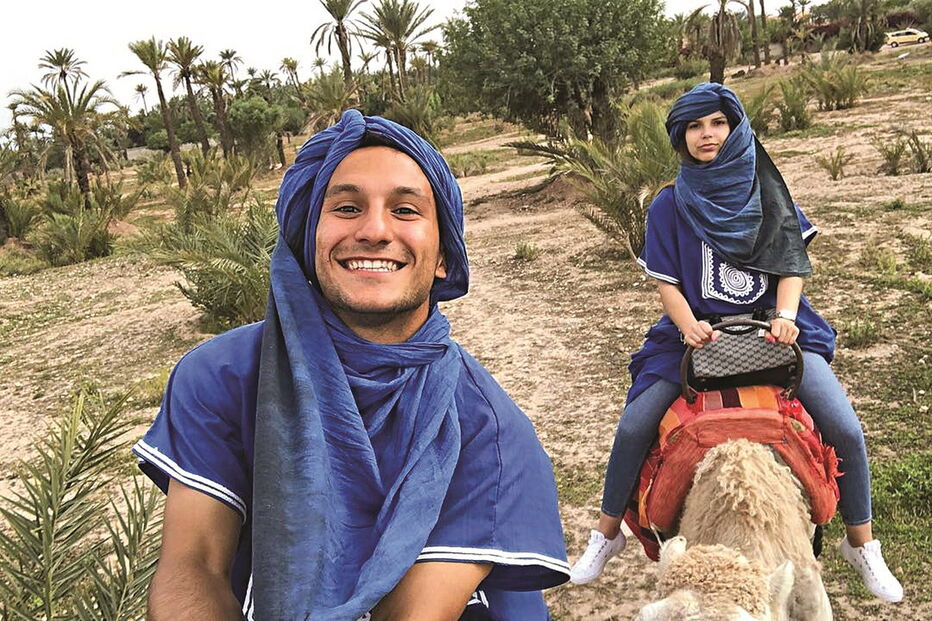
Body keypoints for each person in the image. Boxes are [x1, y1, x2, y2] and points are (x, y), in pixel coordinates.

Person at [134, 110, 570, 621]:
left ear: (444, 258)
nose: (374, 230)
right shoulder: (224, 377)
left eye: (406, 210)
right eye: (345, 207)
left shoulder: (487, 430)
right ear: (305, 242)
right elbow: (196, 567)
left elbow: (409, 617)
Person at [569, 82, 904, 604]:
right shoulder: (668, 205)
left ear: (736, 127)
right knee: (636, 423)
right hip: (696, 330)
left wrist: (787, 316)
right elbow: (667, 283)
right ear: (681, 137)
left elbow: (793, 264)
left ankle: (860, 543)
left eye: (718, 123)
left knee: (845, 428)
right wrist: (686, 327)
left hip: (775, 327)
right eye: (695, 126)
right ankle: (607, 533)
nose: (707, 135)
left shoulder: (769, 190)